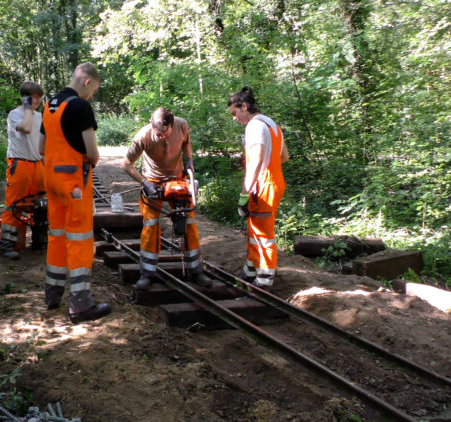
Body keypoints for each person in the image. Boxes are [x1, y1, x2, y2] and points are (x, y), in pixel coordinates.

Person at [40, 62, 111, 323]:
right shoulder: (80, 106)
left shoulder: (49, 105)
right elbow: (92, 154)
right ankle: (81, 305)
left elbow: (41, 148)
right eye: (94, 91)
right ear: (88, 82)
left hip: (52, 182)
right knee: (80, 239)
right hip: (74, 185)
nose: (91, 96)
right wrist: (89, 159)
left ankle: (53, 294)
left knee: (57, 236)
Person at [122, 107, 214, 290]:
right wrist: (144, 182)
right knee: (150, 226)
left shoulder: (181, 125)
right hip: (153, 181)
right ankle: (147, 273)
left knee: (188, 223)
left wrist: (189, 159)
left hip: (177, 179)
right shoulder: (143, 136)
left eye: (165, 132)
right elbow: (126, 165)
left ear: (172, 125)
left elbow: (186, 142)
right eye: (158, 133)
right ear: (151, 124)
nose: (162, 136)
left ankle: (196, 271)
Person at [227, 87, 289, 287]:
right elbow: (284, 157)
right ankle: (251, 267)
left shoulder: (254, 126)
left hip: (262, 186)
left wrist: (244, 194)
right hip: (275, 181)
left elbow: (256, 162)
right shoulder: (272, 124)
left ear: (244, 106)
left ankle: (264, 278)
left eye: (234, 113)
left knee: (263, 233)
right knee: (254, 229)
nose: (234, 119)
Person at [0, 81, 46, 259]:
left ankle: (38, 242)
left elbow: (42, 144)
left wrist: (46, 165)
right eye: (34, 99)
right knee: (14, 205)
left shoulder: (40, 116)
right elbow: (26, 128)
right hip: (20, 165)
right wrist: (27, 108)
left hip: (37, 165)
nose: (38, 102)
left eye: (39, 99)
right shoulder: (15, 115)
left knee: (40, 206)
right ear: (26, 99)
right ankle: (7, 246)